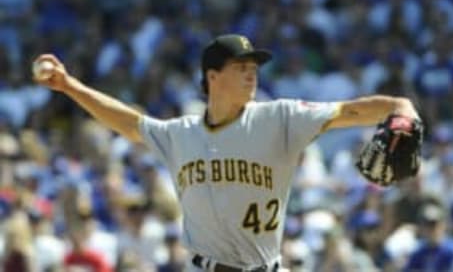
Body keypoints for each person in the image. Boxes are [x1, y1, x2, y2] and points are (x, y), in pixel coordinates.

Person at [33, 34, 420, 272]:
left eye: (254, 66)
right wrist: (70, 86)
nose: (252, 73)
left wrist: (397, 105)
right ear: (212, 77)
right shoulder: (180, 133)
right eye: (240, 67)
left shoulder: (280, 117)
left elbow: (348, 110)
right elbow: (130, 123)